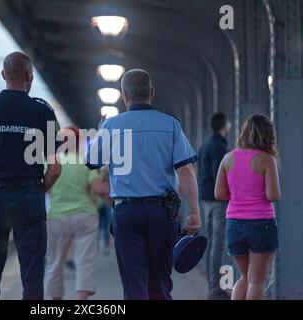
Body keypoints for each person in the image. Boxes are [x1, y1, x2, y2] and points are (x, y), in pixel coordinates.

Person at [86, 69, 201, 300]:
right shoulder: (170, 125)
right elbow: (186, 171)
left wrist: (100, 132)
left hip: (126, 213)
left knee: (134, 285)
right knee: (160, 283)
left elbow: (92, 161)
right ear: (152, 93)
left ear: (124, 96)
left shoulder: (111, 127)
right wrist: (195, 211)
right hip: (162, 213)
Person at [0, 51, 62, 300]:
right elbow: (55, 168)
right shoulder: (42, 111)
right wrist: (39, 190)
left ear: (3, 75)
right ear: (30, 76)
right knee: (32, 274)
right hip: (29, 198)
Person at [215, 114, 280, 300]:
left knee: (245, 277)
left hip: (234, 224)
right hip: (261, 224)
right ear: (268, 136)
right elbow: (273, 195)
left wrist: (239, 196)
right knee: (257, 282)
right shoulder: (267, 160)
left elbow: (219, 194)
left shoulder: (228, 159)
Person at [45, 125, 109, 300]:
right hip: (84, 215)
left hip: (56, 216)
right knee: (84, 262)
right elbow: (99, 189)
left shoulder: (51, 161)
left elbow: (42, 188)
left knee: (55, 262)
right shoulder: (85, 162)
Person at [198, 112, 231, 300]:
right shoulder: (219, 146)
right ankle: (215, 289)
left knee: (211, 241)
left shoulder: (205, 145)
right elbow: (221, 175)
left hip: (205, 198)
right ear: (223, 125)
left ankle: (212, 285)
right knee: (219, 243)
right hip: (218, 200)